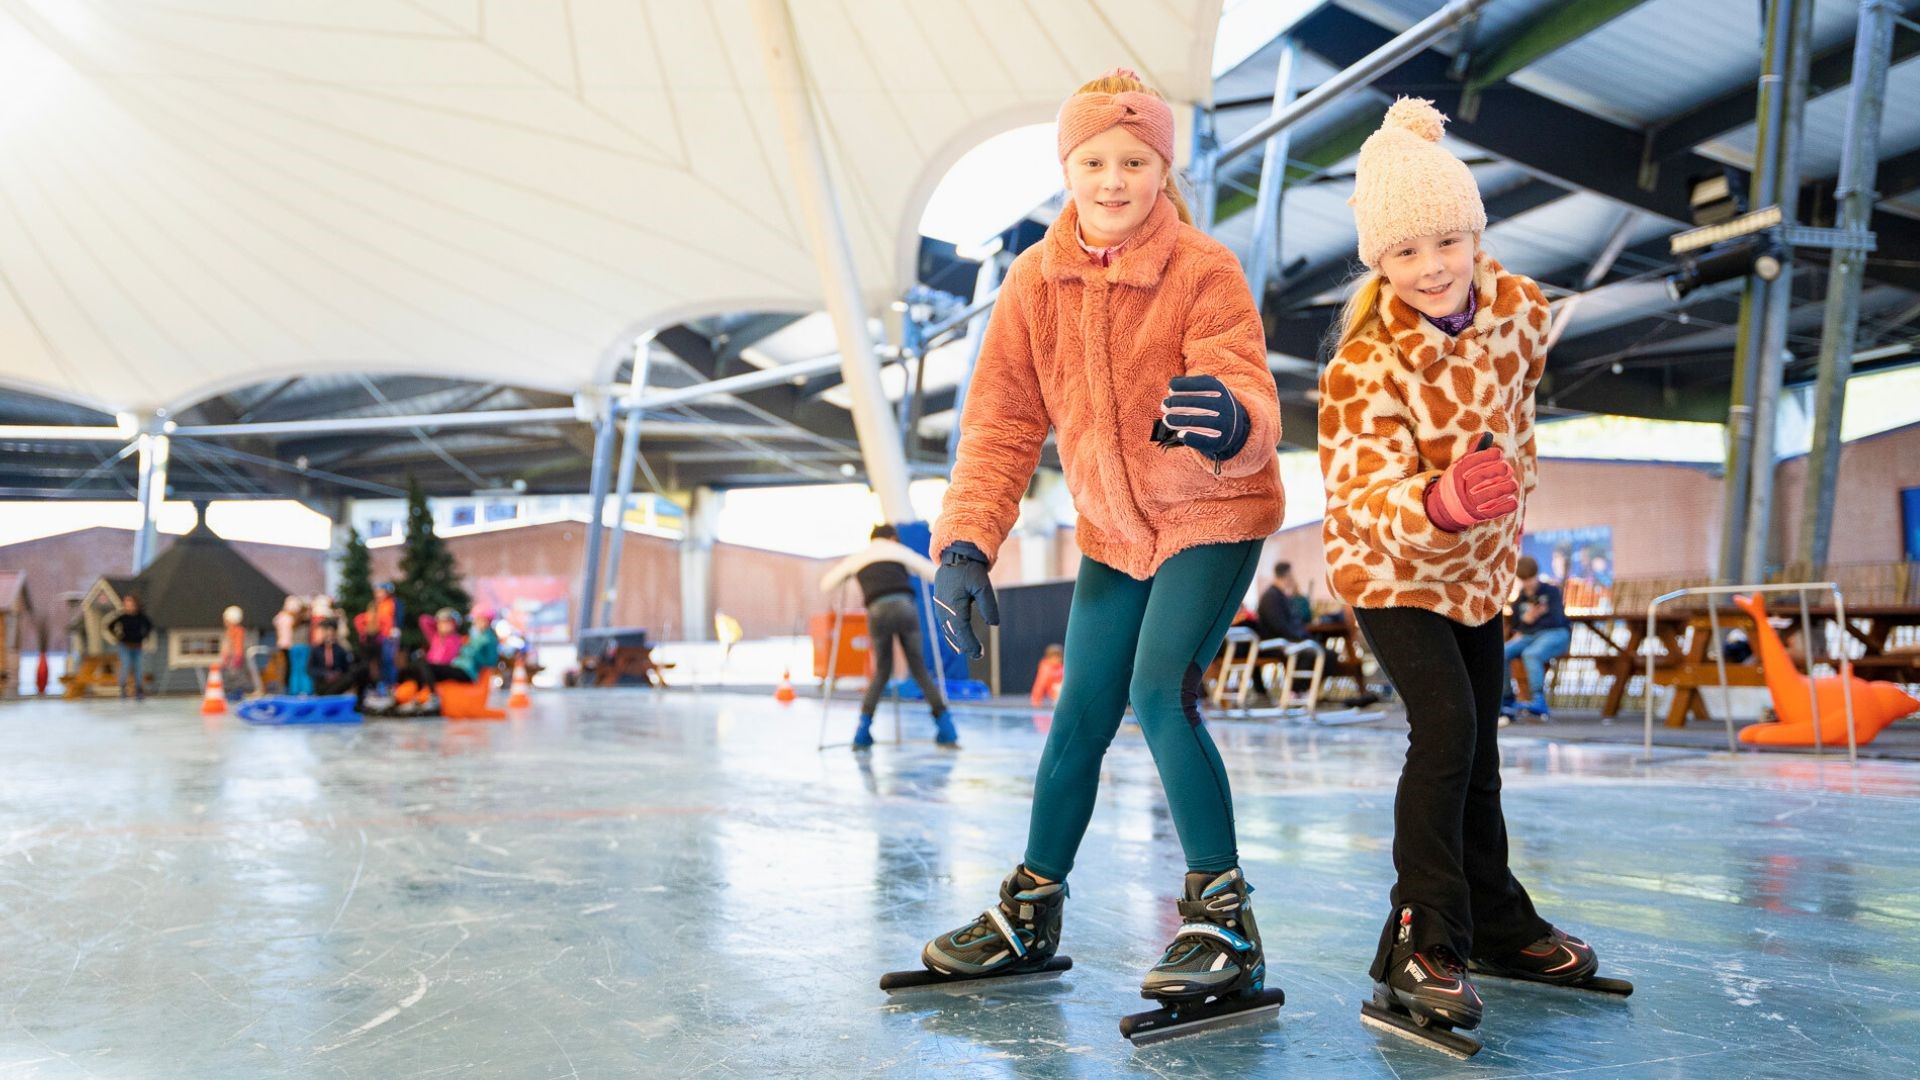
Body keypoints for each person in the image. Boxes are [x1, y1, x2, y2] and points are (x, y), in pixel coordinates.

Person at [903, 68, 1286, 1030]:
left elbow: (1249, 386)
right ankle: (1031, 912)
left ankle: (1224, 920)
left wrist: (1232, 418)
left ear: (1162, 166)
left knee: (1160, 691)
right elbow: (998, 424)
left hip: (1211, 511)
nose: (1113, 180)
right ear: (1067, 166)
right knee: (1078, 714)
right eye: (1093, 161)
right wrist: (964, 546)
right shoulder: (1034, 282)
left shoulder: (1203, 268)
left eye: (1135, 160)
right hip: (1115, 531)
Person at [1317, 99, 1618, 1051]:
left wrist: (1510, 486)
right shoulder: (1364, 364)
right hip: (1392, 567)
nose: (1431, 267)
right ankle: (1421, 937)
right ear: (1379, 263)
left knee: (1481, 747)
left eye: (1447, 239)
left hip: (1478, 572)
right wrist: (1441, 500)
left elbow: (1517, 398)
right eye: (1403, 254)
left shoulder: (1523, 311)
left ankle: (1497, 921)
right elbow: (1358, 494)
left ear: (1476, 231)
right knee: (1445, 729)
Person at [820, 524, 957, 748]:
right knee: (919, 669)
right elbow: (933, 574)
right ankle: (946, 729)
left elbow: (826, 585)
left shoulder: (859, 558)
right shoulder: (898, 551)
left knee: (882, 671)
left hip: (877, 611)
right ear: (892, 538)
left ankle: (862, 732)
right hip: (905, 608)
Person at [1504, 556, 1571, 720]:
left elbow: (1557, 619)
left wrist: (1535, 618)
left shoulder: (1551, 592)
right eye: (1524, 579)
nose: (1528, 583)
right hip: (1528, 636)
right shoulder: (1520, 599)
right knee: (1502, 652)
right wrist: (1526, 621)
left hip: (1554, 633)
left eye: (1531, 578)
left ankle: (1538, 700)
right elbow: (1516, 625)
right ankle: (1507, 699)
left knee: (1531, 654)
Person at [396, 604, 500, 710]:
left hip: (467, 672)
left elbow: (490, 661)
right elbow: (424, 620)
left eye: (481, 619)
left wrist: (474, 655)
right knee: (415, 667)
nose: (477, 622)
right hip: (457, 667)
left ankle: (433, 698)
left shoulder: (488, 638)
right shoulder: (474, 636)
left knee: (425, 665)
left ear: (488, 621)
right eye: (477, 619)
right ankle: (408, 697)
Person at [1247, 561, 1319, 700]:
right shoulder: (1272, 596)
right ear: (1287, 575)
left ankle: (1300, 691)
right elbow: (1279, 626)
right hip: (1275, 643)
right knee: (1310, 652)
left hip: (1282, 640)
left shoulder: (1279, 595)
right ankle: (1296, 691)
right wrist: (1299, 637)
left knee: (1318, 650)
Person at [308, 621, 372, 706]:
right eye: (327, 632)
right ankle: (326, 698)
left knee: (361, 669)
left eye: (332, 632)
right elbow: (310, 669)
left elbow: (348, 667)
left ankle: (359, 703)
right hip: (323, 684)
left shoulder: (340, 650)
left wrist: (338, 673)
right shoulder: (316, 650)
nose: (330, 635)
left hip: (337, 682)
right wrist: (325, 674)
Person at [106, 593, 153, 701]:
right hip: (125, 646)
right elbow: (110, 626)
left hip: (137, 646)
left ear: (135, 604)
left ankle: (139, 690)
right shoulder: (123, 617)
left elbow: (149, 626)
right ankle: (123, 689)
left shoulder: (141, 616)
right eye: (126, 603)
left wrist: (144, 636)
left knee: (139, 668)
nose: (128, 606)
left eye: (130, 603)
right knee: (125, 666)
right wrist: (117, 636)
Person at [272, 595, 303, 694]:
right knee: (290, 667)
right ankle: (288, 687)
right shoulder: (288, 618)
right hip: (289, 645)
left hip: (282, 644)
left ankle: (285, 687)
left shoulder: (280, 616)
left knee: (285, 667)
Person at [218, 604, 249, 698]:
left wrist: (237, 657)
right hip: (229, 658)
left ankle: (237, 692)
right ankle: (232, 691)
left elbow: (238, 645)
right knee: (229, 676)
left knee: (236, 676)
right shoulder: (229, 631)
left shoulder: (238, 631)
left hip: (235, 658)